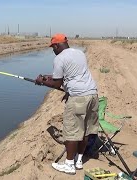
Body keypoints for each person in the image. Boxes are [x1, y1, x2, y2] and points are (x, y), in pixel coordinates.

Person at [35, 33, 98, 175]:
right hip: (92, 95)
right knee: (85, 130)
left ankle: (69, 164)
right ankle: (79, 160)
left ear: (57, 45)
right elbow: (72, 75)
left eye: (53, 47)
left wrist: (42, 81)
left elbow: (57, 83)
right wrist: (49, 78)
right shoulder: (79, 53)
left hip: (78, 98)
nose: (52, 50)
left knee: (71, 131)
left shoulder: (59, 58)